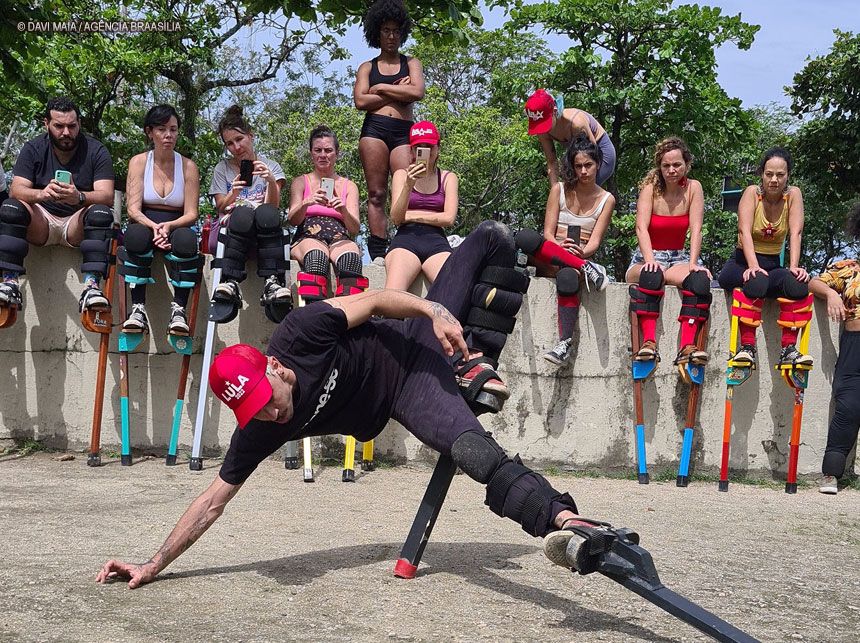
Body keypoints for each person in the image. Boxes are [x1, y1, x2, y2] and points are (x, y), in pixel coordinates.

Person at [95, 220, 613, 590]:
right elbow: (212, 501)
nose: (270, 413)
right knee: (476, 454)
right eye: (253, 412)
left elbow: (377, 301)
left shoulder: (301, 330)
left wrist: (432, 308)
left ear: (272, 367)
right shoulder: (262, 426)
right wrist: (152, 563)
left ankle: (480, 360)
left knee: (494, 239)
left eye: (265, 399)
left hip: (411, 345)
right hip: (406, 396)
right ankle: (567, 524)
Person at [0, 97, 115, 313]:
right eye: (59, 126)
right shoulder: (33, 148)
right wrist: (42, 194)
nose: (66, 133)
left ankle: (91, 287)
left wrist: (78, 197)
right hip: (41, 220)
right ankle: (9, 282)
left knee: (101, 213)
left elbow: (107, 195)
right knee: (11, 207)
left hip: (76, 223)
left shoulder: (96, 150)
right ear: (46, 124)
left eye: (72, 126)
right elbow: (17, 189)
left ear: (79, 123)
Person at [717, 147, 813, 369]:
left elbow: (796, 233)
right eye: (769, 174)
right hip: (742, 261)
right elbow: (744, 231)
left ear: (788, 175)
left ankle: (788, 349)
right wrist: (752, 266)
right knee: (756, 281)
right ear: (762, 173)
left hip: (772, 264)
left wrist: (794, 267)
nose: (774, 180)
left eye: (780, 175)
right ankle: (747, 347)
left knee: (797, 285)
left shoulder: (793, 195)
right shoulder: (752, 193)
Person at [625, 137, 712, 365]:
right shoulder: (650, 189)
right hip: (649, 255)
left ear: (686, 164)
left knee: (700, 281)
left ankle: (687, 346)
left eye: (677, 165)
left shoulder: (694, 188)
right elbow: (641, 227)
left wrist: (694, 262)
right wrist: (650, 259)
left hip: (678, 257)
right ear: (659, 167)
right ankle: (649, 343)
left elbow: (696, 228)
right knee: (651, 274)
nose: (672, 170)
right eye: (666, 166)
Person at [119, 104, 202, 335]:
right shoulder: (138, 162)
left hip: (177, 222)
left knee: (187, 241)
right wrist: (155, 228)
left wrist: (169, 227)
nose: (168, 135)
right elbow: (133, 209)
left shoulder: (188, 166)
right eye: (162, 129)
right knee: (134, 237)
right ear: (150, 132)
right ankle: (137, 308)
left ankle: (179, 310)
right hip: (146, 220)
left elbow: (192, 213)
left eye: (173, 130)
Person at [354, 0, 425, 261]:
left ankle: (407, 244)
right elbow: (361, 101)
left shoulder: (411, 63)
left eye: (396, 30)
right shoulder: (367, 67)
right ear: (377, 32)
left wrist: (380, 89)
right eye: (386, 30)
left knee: (406, 186)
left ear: (402, 32)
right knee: (376, 193)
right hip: (375, 130)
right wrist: (398, 90)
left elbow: (417, 92)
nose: (391, 36)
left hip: (404, 131)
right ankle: (377, 252)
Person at [207, 105, 291, 322]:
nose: (236, 147)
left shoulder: (271, 166)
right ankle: (231, 280)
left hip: (263, 225)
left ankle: (273, 281)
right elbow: (221, 207)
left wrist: (271, 180)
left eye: (239, 139)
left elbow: (272, 206)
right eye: (229, 144)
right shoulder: (222, 169)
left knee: (266, 214)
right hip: (237, 224)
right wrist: (234, 192)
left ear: (251, 136)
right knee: (242, 213)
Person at [537, 136, 615, 365]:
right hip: (552, 252)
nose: (583, 171)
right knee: (524, 238)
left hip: (577, 257)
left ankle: (564, 343)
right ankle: (586, 269)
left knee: (569, 279)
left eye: (588, 165)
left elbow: (595, 242)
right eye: (578, 166)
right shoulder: (558, 189)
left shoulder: (606, 199)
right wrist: (558, 247)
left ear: (598, 164)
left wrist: (580, 253)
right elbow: (547, 234)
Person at [808, 202, 860, 495]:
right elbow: (814, 282)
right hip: (855, 347)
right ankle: (831, 475)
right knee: (849, 408)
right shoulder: (849, 269)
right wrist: (830, 294)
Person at [288, 125, 365, 303]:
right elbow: (292, 219)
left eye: (328, 150)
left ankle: (348, 319)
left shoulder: (349, 185)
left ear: (337, 153)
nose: (323, 155)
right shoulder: (301, 182)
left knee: (351, 261)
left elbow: (354, 228)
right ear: (311, 153)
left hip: (340, 236)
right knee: (317, 258)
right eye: (318, 150)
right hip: (308, 235)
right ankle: (315, 318)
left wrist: (343, 209)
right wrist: (307, 203)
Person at [384, 120, 455, 291]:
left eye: (429, 146)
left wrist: (412, 215)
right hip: (406, 239)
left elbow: (449, 218)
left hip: (436, 241)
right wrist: (409, 184)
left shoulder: (448, 178)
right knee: (393, 293)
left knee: (452, 290)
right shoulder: (401, 175)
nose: (425, 152)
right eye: (419, 147)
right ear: (412, 151)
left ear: (438, 148)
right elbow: (396, 217)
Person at [525, 89, 616, 188]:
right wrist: (554, 191)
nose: (542, 128)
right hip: (577, 154)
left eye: (544, 123)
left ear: (554, 112)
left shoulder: (576, 123)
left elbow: (592, 157)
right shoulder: (542, 130)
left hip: (599, 152)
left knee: (582, 190)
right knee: (569, 191)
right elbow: (551, 161)